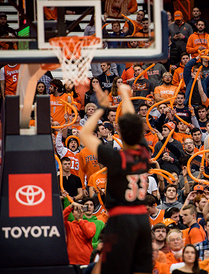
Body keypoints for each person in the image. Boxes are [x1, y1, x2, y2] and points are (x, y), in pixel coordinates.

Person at [79, 83, 152, 274]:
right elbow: (131, 123)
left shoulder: (116, 158)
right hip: (143, 219)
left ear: (120, 132)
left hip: (121, 221)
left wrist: (102, 107)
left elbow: (84, 133)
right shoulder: (145, 153)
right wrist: (125, 96)